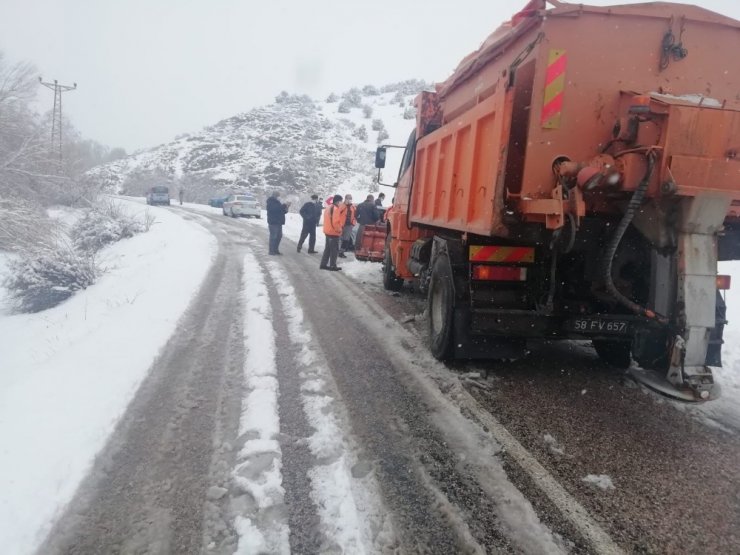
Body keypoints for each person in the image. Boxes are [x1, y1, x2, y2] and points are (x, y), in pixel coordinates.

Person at [320, 194, 344, 271]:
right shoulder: (336, 209)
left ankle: (323, 264)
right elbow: (336, 222)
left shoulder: (329, 207)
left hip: (327, 231)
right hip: (333, 233)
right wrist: (339, 230)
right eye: (341, 201)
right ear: (338, 201)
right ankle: (332, 266)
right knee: (334, 250)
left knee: (327, 249)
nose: (341, 203)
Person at [266, 191, 289, 255]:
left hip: (279, 222)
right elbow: (274, 209)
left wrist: (286, 208)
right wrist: (283, 205)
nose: (279, 197)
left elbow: (280, 211)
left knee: (279, 236)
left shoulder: (277, 202)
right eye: (278, 196)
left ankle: (275, 250)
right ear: (275, 196)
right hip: (273, 222)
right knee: (273, 236)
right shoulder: (270, 202)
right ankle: (271, 251)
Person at [338, 193, 356, 258]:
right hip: (340, 225)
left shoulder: (353, 207)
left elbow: (355, 216)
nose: (349, 200)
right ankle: (337, 251)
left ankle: (341, 252)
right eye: (348, 198)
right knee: (339, 238)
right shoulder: (341, 206)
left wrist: (353, 223)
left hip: (348, 226)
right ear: (345, 199)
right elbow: (337, 215)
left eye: (350, 198)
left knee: (346, 239)